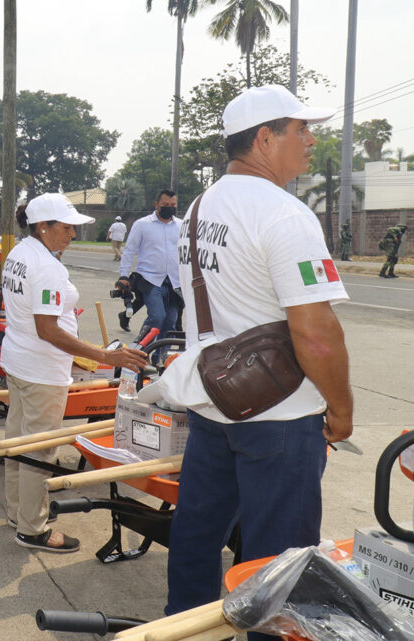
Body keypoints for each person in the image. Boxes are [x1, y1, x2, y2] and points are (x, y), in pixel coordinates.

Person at [158, 86, 352, 641]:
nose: (311, 141)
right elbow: (316, 334)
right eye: (301, 129)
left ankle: (184, 629)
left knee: (197, 534)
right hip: (281, 417)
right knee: (278, 560)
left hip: (215, 402)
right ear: (265, 138)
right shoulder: (286, 215)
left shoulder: (198, 208)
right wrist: (341, 408)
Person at [1, 193, 146, 554]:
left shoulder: (20, 254)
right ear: (42, 227)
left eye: (73, 228)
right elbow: (47, 329)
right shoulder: (46, 267)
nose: (71, 234)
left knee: (19, 440)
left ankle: (18, 512)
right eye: (65, 228)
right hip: (41, 369)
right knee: (39, 450)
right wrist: (102, 356)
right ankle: (32, 529)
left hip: (20, 361)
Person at [117, 189, 182, 360]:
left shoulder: (182, 226)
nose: (169, 208)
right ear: (156, 205)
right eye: (165, 205)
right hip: (150, 280)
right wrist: (123, 276)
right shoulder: (142, 225)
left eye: (173, 205)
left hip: (175, 282)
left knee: (170, 321)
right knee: (157, 317)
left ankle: (161, 359)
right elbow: (129, 251)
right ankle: (138, 352)